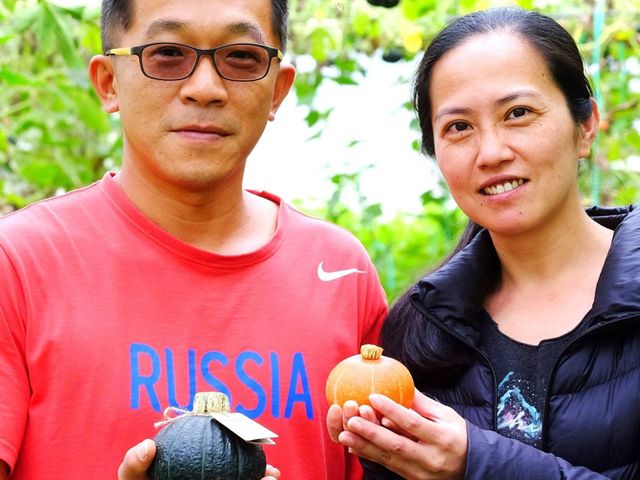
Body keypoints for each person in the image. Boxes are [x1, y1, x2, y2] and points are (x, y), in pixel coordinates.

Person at [0, 0, 388, 478]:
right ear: (108, 82)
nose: (205, 89)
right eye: (167, 54)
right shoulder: (18, 262)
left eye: (241, 57)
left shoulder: (342, 272)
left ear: (277, 90)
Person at [327, 6, 639, 480]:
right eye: (459, 127)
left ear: (587, 126)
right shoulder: (420, 328)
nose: (490, 153)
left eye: (518, 114)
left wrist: (476, 463)